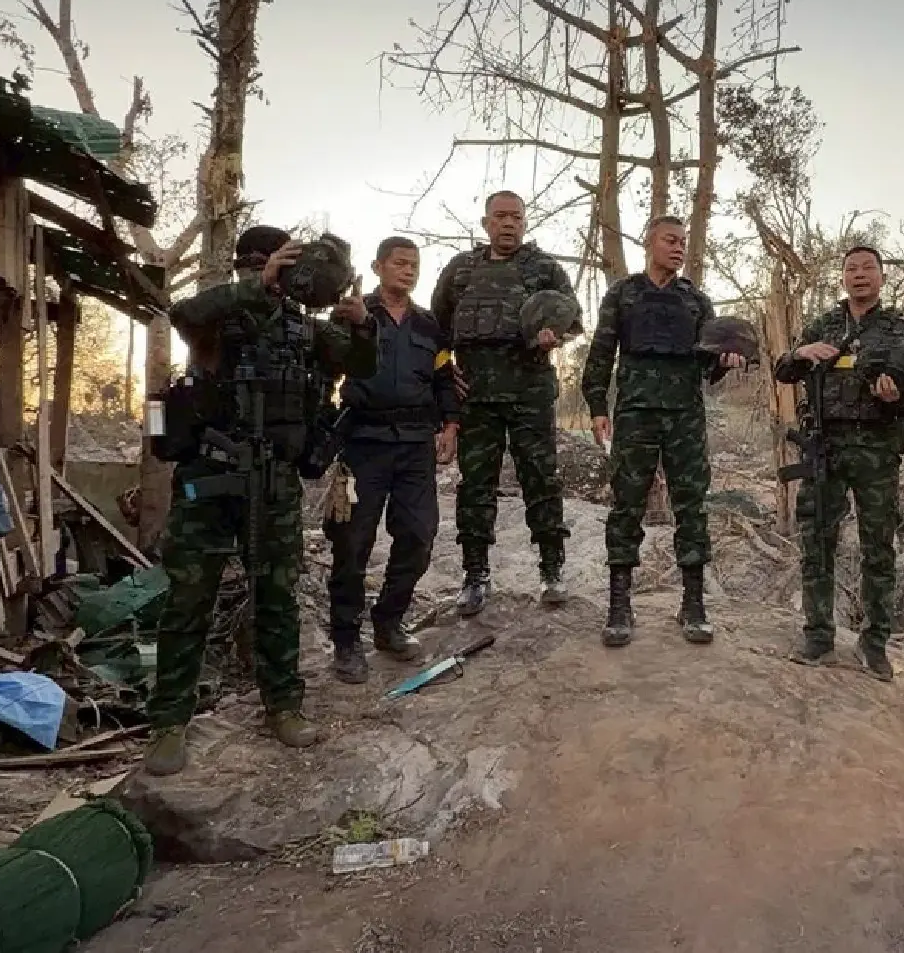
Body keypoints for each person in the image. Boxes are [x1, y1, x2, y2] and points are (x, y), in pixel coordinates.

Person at [144, 226, 378, 777]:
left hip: (273, 485)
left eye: (271, 266)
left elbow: (362, 364)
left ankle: (283, 705)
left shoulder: (303, 329)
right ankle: (169, 722)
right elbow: (183, 313)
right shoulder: (221, 314)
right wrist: (259, 285)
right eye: (257, 266)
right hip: (209, 481)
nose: (263, 275)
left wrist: (361, 322)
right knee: (188, 602)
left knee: (277, 599)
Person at [582, 216, 747, 648]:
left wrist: (726, 363)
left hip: (685, 416)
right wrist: (598, 406)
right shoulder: (623, 293)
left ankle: (693, 604)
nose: (678, 248)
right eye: (670, 240)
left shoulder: (697, 302)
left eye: (683, 242)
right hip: (635, 414)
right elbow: (601, 351)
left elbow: (710, 366)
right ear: (648, 243)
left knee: (691, 505)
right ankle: (620, 605)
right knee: (626, 504)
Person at [773, 246, 904, 681]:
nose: (860, 275)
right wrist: (802, 354)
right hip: (825, 449)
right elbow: (783, 370)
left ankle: (874, 644)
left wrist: (897, 395)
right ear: (842, 277)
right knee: (817, 543)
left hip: (877, 453)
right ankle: (818, 636)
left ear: (881, 277)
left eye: (868, 269)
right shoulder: (823, 324)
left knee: (878, 549)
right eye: (851, 269)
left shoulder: (901, 330)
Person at [432, 191, 580, 616]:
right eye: (500, 217)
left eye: (516, 217)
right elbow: (436, 332)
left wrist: (557, 335)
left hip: (529, 391)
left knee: (541, 479)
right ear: (486, 223)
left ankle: (552, 569)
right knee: (476, 486)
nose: (508, 224)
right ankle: (475, 574)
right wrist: (444, 373)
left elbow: (574, 318)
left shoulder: (545, 269)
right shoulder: (460, 271)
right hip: (475, 396)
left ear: (525, 222)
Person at [321, 237, 459, 685]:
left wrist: (451, 425)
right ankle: (346, 640)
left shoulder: (427, 325)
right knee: (352, 541)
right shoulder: (353, 315)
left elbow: (442, 379)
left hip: (416, 444)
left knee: (419, 535)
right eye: (399, 263)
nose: (408, 271)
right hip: (364, 442)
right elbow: (325, 368)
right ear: (378, 266)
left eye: (414, 265)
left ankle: (388, 622)